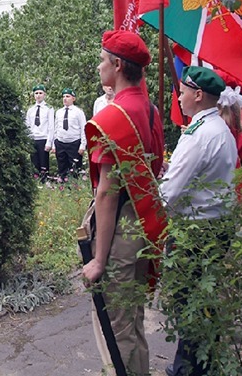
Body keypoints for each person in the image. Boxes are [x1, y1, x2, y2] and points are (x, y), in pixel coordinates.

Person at [82, 30, 166, 376]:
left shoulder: (112, 118)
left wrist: (99, 260)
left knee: (117, 334)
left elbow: (107, 192)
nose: (99, 66)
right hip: (144, 229)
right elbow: (157, 166)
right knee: (134, 324)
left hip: (117, 232)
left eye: (103, 60)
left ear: (117, 65)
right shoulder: (150, 111)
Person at [160, 66, 238, 376]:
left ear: (198, 94)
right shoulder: (221, 129)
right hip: (217, 226)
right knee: (204, 302)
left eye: (181, 92)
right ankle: (201, 365)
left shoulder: (196, 136)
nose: (178, 97)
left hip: (194, 232)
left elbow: (168, 196)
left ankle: (189, 370)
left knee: (188, 304)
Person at [53, 88, 87, 181]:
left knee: (75, 168)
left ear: (73, 98)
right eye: (63, 96)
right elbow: (56, 128)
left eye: (67, 96)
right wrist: (54, 143)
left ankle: (75, 186)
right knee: (62, 167)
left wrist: (83, 145)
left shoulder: (78, 112)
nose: (65, 99)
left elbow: (84, 128)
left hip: (74, 143)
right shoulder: (59, 112)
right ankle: (62, 186)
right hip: (60, 142)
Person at [25, 84, 55, 180]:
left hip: (44, 138)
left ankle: (45, 180)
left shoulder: (49, 108)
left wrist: (49, 142)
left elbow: (51, 126)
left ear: (44, 94)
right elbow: (27, 126)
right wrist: (27, 140)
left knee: (44, 162)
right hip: (33, 139)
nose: (38, 95)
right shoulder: (31, 110)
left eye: (40, 93)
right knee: (34, 162)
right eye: (36, 93)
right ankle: (35, 180)